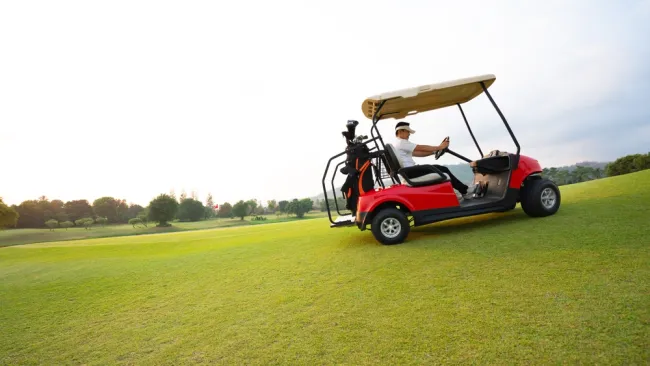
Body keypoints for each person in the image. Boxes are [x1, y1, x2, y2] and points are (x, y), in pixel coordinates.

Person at [393, 121, 472, 195]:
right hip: (410, 172)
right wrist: (439, 147)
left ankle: (461, 191)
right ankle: (465, 191)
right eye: (407, 132)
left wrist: (434, 152)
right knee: (443, 169)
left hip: (409, 171)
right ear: (400, 131)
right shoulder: (401, 142)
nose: (409, 134)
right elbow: (421, 147)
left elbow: (418, 153)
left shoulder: (399, 144)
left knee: (440, 168)